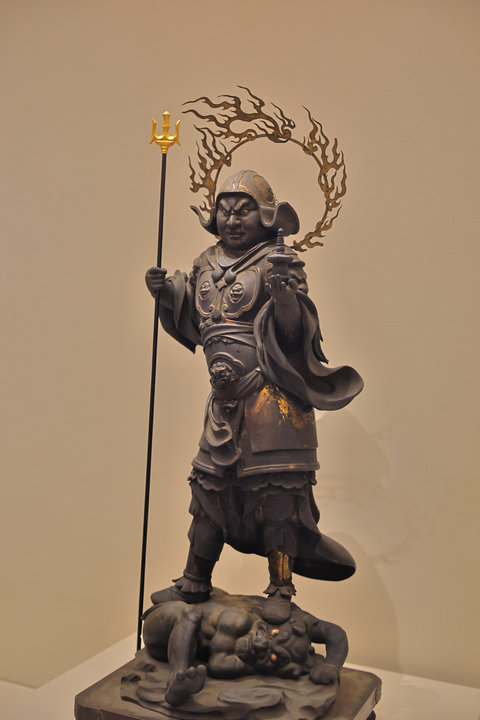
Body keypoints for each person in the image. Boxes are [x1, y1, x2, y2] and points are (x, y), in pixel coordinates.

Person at [145, 170, 363, 623]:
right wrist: (166, 292)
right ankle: (195, 578)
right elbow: (198, 324)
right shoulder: (205, 262)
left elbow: (294, 334)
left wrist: (285, 301)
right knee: (209, 491)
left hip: (271, 398)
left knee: (278, 498)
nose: (232, 219)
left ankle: (280, 586)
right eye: (224, 210)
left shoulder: (276, 262)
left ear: (266, 217)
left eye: (243, 210)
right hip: (223, 402)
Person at [142, 587, 348, 706]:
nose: (261, 645)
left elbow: (335, 634)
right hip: (163, 626)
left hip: (190, 644)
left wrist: (331, 665)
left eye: (273, 657)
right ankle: (176, 679)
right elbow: (218, 665)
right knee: (190, 615)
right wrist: (258, 665)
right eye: (273, 634)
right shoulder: (238, 619)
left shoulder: (286, 628)